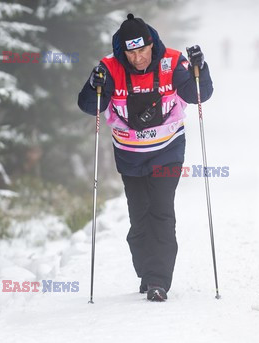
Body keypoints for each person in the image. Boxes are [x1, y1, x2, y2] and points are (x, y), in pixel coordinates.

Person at [77, 13, 213, 301]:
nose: (138, 58)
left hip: (168, 152)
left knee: (161, 212)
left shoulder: (172, 62)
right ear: (122, 51)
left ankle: (158, 280)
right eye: (131, 52)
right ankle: (146, 273)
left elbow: (198, 94)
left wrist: (202, 68)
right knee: (139, 218)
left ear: (152, 45)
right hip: (130, 157)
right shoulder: (110, 68)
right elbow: (91, 107)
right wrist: (93, 84)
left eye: (142, 50)